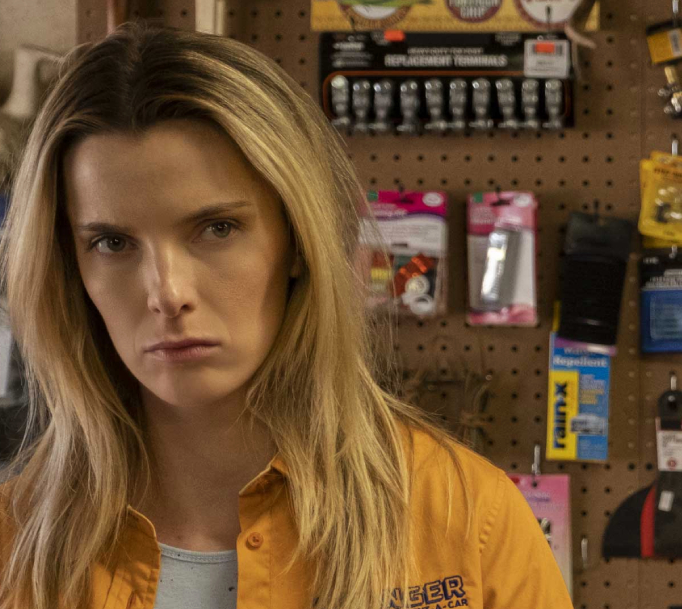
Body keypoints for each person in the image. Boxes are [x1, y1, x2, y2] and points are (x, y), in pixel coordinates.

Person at [0, 22, 572, 609]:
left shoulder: (468, 519)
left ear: (298, 240)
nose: (167, 294)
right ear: (69, 266)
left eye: (217, 229)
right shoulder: (11, 549)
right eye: (113, 243)